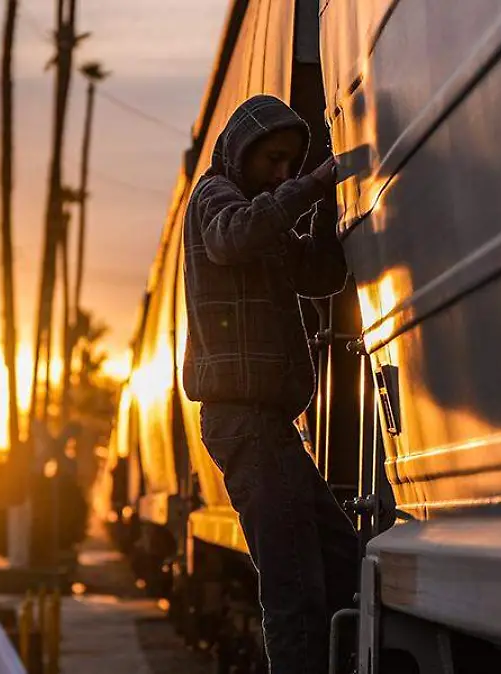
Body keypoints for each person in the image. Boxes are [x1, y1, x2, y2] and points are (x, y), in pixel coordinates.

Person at [181, 94, 360, 673]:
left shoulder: (262, 215)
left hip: (270, 426)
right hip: (246, 420)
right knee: (296, 589)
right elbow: (230, 238)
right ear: (241, 152)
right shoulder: (217, 197)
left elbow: (319, 275)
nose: (281, 173)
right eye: (273, 160)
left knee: (338, 562)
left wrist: (336, 205)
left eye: (291, 163)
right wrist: (309, 185)